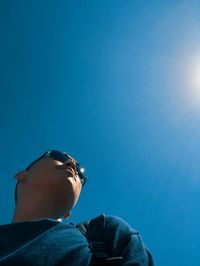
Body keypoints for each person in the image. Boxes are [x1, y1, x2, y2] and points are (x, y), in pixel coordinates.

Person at [0, 149, 155, 265]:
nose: (72, 164)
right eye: (59, 156)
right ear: (21, 175)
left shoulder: (104, 231)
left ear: (68, 214)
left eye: (81, 175)